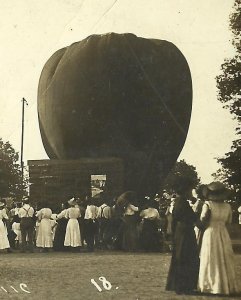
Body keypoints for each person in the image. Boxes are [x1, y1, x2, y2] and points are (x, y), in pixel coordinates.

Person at [198, 181, 239, 295]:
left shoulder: (208, 205)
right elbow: (229, 222)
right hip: (223, 232)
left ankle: (211, 285)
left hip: (210, 232)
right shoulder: (228, 206)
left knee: (211, 257)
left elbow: (202, 219)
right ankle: (225, 285)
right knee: (224, 257)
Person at [166, 180, 199, 295]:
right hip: (185, 232)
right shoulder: (182, 202)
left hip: (181, 232)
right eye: (190, 190)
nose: (191, 192)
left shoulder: (179, 201)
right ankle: (183, 286)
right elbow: (192, 217)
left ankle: (180, 285)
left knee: (181, 257)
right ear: (186, 190)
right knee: (185, 257)